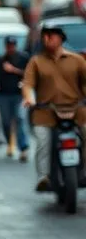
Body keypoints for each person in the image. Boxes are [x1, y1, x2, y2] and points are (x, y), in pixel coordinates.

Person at [21, 23, 86, 191]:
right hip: (46, 112)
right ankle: (44, 176)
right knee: (43, 141)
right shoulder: (36, 61)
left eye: (51, 35)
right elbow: (28, 84)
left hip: (77, 110)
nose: (47, 39)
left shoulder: (77, 60)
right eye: (44, 35)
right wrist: (29, 98)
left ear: (61, 38)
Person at [0, 35, 31, 161]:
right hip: (4, 95)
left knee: (20, 118)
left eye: (13, 45)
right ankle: (10, 142)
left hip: (19, 94)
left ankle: (23, 147)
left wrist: (14, 70)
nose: (11, 48)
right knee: (6, 121)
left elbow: (30, 74)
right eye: (9, 46)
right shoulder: (0, 60)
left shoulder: (23, 58)